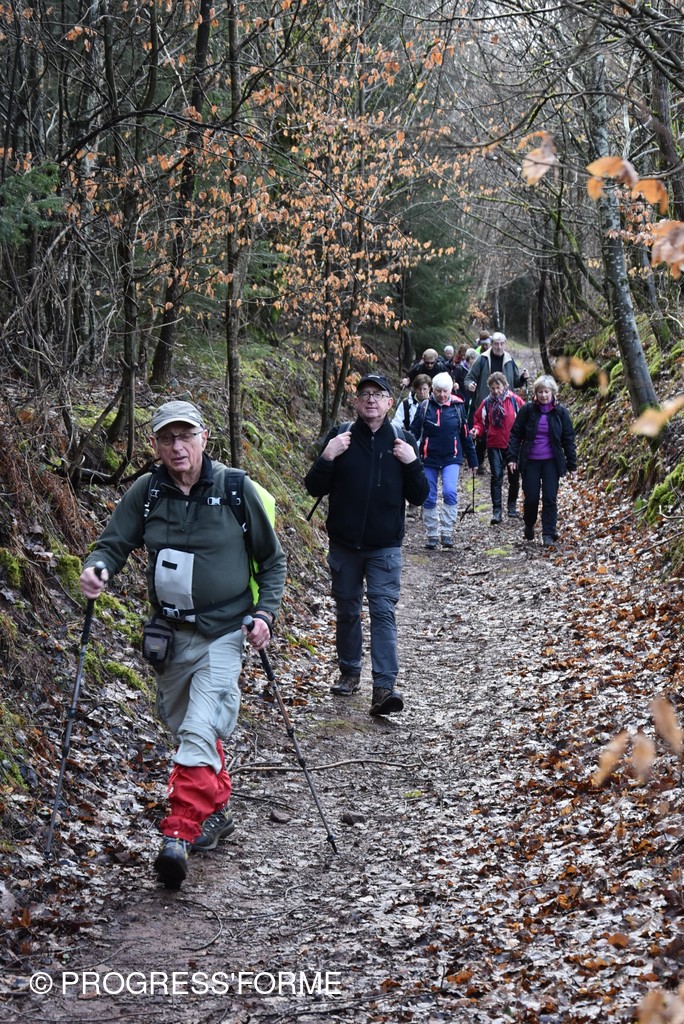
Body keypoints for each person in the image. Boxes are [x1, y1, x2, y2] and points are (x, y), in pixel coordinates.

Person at [79, 400, 286, 889]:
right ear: (155, 444)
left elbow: (272, 561)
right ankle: (216, 809)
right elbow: (114, 542)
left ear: (203, 438)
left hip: (224, 632)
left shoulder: (235, 489)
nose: (177, 446)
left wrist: (264, 615)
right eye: (167, 438)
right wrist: (97, 568)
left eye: (185, 436)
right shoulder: (147, 491)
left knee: (199, 726)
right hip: (170, 635)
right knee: (185, 726)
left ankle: (178, 834)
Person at [304, 374, 428, 716]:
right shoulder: (341, 437)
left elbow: (420, 496)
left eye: (378, 394)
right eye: (365, 394)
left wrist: (412, 462)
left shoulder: (403, 439)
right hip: (344, 544)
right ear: (356, 402)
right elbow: (313, 487)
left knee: (383, 611)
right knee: (347, 610)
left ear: (389, 403)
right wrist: (328, 456)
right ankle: (349, 672)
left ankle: (384, 688)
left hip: (384, 546)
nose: (371, 399)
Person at [410, 371, 478, 549]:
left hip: (451, 457)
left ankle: (447, 531)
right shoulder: (425, 407)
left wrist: (473, 460)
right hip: (429, 458)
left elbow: (465, 435)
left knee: (449, 491)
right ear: (433, 390)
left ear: (450, 390)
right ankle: (432, 533)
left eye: (445, 391)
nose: (441, 394)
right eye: (438, 391)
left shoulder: (458, 407)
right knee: (429, 495)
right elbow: (413, 432)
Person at [506, 375, 577, 547]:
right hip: (530, 461)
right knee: (531, 498)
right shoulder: (528, 410)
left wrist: (572, 465)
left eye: (546, 392)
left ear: (553, 393)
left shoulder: (560, 412)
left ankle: (548, 533)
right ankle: (529, 523)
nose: (543, 395)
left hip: (551, 462)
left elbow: (568, 439)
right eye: (540, 392)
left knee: (550, 498)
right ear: (536, 394)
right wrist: (512, 457)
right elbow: (515, 434)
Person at [464, 332, 529, 470]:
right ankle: (480, 462)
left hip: (506, 402)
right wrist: (470, 385)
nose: (499, 347)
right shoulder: (482, 359)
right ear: (491, 344)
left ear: (505, 344)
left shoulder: (509, 360)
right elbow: (469, 378)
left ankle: (503, 462)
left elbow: (516, 382)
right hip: (486, 402)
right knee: (483, 434)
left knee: (505, 432)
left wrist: (523, 378)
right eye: (496, 344)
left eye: (501, 344)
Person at [471, 372, 524, 525]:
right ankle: (497, 511)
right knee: (496, 476)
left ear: (504, 386)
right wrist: (476, 431)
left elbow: (525, 417)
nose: (495, 391)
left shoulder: (514, 400)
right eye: (492, 388)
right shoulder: (487, 403)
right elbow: (479, 421)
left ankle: (511, 507)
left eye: (498, 387)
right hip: (494, 444)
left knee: (514, 478)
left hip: (513, 444)